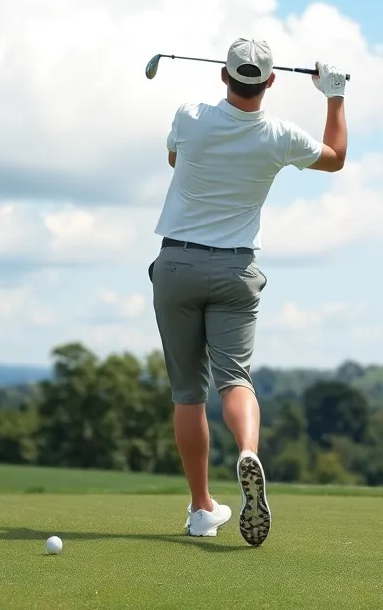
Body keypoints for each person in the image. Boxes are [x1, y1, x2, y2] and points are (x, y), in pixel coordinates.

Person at [148, 38, 347, 546]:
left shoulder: (190, 115)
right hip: (236, 270)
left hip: (177, 265)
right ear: (271, 82)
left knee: (187, 393)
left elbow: (174, 159)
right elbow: (335, 158)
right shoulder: (279, 134)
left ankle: (200, 508)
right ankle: (248, 451)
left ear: (224, 76)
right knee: (235, 379)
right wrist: (334, 94)